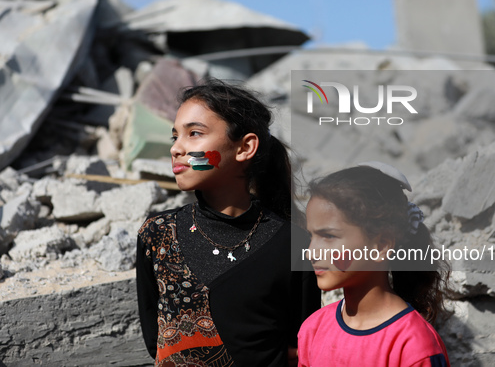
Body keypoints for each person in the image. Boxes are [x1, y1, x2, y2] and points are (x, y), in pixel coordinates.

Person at [136, 78, 320, 366]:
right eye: (175, 136)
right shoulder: (157, 235)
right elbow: (154, 340)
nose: (176, 149)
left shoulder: (293, 244)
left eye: (194, 133)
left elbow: (302, 346)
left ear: (245, 147)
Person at [298, 164, 450, 367]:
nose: (310, 251)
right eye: (311, 236)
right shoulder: (313, 329)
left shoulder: (413, 346)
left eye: (328, 236)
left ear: (380, 245)